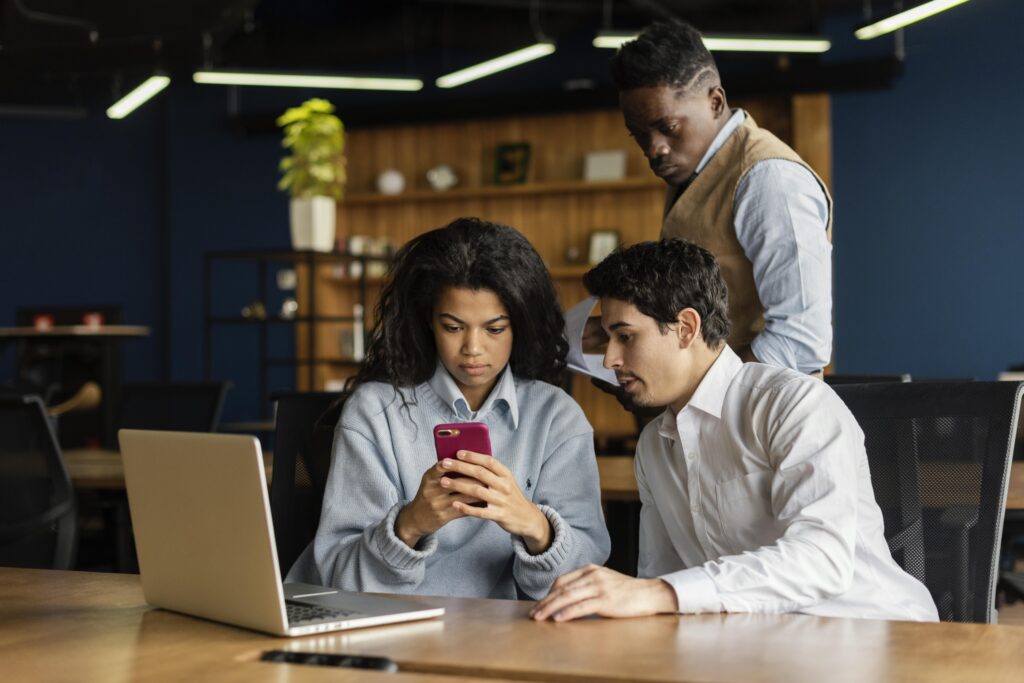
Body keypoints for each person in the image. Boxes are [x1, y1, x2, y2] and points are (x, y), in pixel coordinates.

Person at [532, 239, 937, 622]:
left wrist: (658, 594)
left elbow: (822, 560)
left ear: (686, 328)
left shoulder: (793, 406)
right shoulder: (655, 446)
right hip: (754, 646)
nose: (610, 360)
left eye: (625, 336)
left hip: (870, 635)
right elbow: (662, 576)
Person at [290, 217, 610, 600]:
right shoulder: (376, 412)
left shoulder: (557, 417)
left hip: (500, 637)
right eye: (453, 327)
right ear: (429, 322)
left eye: (494, 329)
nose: (473, 349)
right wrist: (409, 525)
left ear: (520, 324)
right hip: (384, 629)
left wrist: (535, 526)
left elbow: (582, 581)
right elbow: (341, 579)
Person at [605, 20, 833, 374]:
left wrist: (709, 397)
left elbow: (800, 340)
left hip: (765, 419)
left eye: (667, 128)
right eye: (639, 135)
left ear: (715, 101)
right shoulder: (691, 172)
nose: (654, 149)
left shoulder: (769, 179)